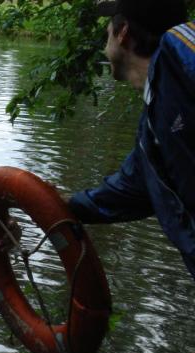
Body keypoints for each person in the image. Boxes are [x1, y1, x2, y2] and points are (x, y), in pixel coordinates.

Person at [69, 0, 195, 279]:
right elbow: (127, 191)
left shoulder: (179, 48)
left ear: (123, 32)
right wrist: (57, 204)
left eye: (109, 27)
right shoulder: (153, 128)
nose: (105, 34)